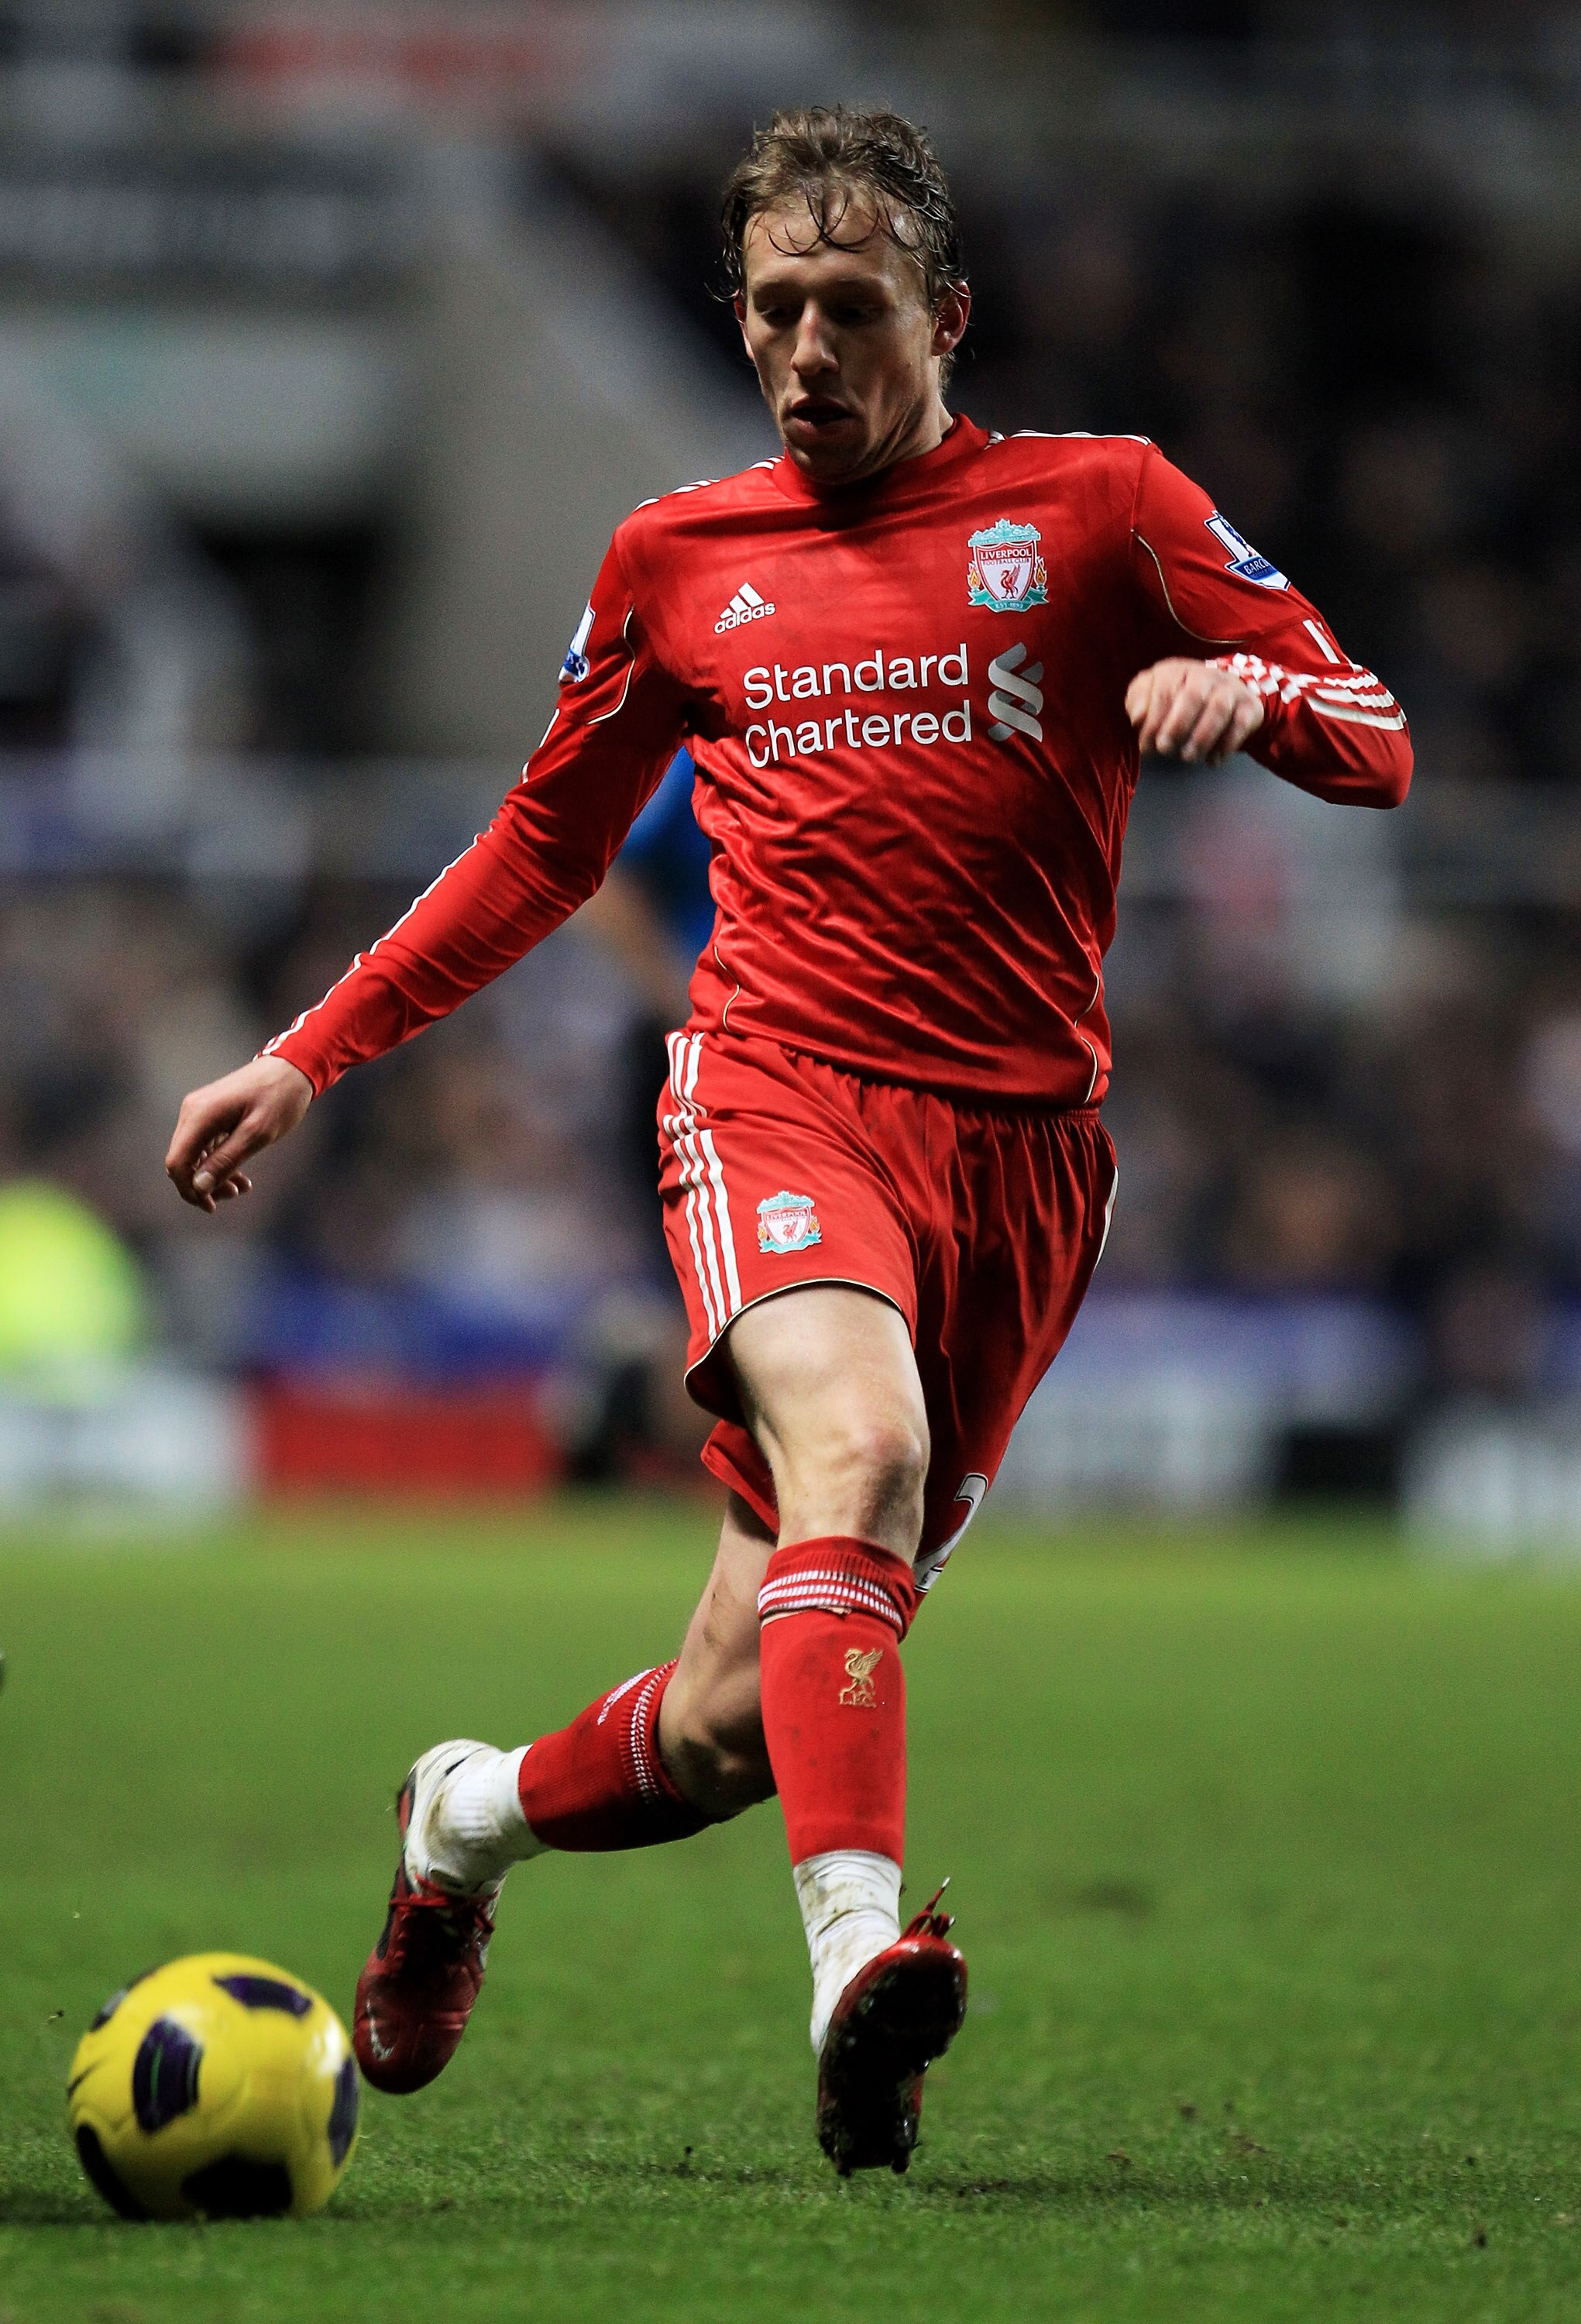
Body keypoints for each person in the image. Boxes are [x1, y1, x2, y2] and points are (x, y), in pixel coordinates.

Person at [164, 106, 1411, 2177]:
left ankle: (459, 1816)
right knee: (867, 1452)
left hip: (1020, 1164)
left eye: (849, 307)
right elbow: (538, 852)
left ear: (946, 313)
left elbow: (1371, 735)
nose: (806, 348)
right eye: (771, 309)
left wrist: (1239, 697)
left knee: (739, 1723)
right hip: (773, 1091)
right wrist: (313, 1050)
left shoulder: (1102, 508)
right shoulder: (674, 562)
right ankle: (854, 1967)